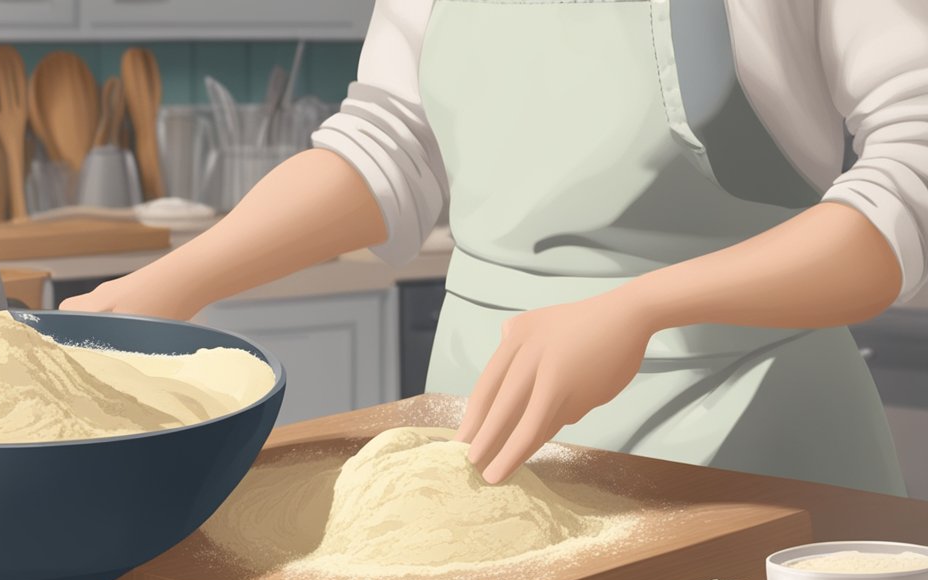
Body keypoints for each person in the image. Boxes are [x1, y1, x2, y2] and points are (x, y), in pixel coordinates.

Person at [63, 0, 928, 496]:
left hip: (750, 446)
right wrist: (174, 283)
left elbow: (912, 171)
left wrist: (640, 306)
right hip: (487, 437)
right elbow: (388, 141)